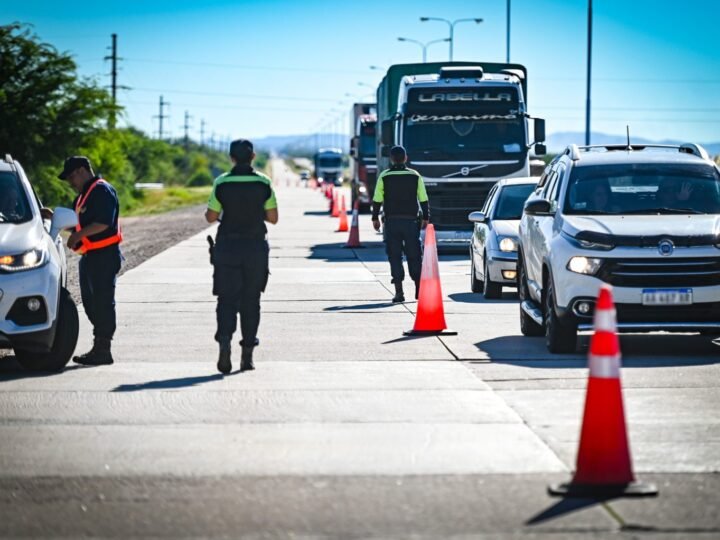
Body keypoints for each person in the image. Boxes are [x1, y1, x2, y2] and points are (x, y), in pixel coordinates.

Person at [205, 139, 278, 374]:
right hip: (255, 248)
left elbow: (210, 216)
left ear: (231, 158)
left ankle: (225, 340)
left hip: (227, 248)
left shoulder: (222, 182)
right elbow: (273, 217)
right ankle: (247, 355)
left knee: (226, 299)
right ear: (253, 156)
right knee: (251, 301)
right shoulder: (263, 182)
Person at [58, 156, 122, 366]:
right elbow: (78, 224)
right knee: (90, 303)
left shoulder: (102, 191)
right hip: (90, 257)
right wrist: (54, 218)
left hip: (104, 256)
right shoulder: (83, 197)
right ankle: (99, 347)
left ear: (82, 171)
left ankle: (103, 350)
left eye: (71, 177)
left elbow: (103, 223)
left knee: (103, 302)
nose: (70, 182)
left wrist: (77, 236)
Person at [371, 145, 429, 303]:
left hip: (392, 222)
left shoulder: (384, 176)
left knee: (394, 256)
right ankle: (418, 289)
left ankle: (399, 292)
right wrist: (426, 217)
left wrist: (375, 218)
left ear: (390, 159)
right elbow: (423, 198)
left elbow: (377, 199)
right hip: (411, 222)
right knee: (414, 255)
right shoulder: (415, 175)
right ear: (405, 158)